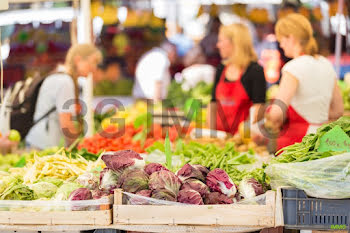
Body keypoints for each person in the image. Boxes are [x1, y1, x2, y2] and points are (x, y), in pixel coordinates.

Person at [252, 13, 344, 151]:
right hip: (324, 140)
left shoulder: (293, 68)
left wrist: (262, 117)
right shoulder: (326, 64)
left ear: (291, 38)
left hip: (299, 143)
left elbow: (277, 113)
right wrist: (316, 114)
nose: (281, 44)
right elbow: (338, 111)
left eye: (281, 39)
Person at [25, 44, 102, 149]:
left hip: (39, 141)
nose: (94, 68)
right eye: (93, 62)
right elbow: (67, 124)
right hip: (43, 146)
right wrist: (78, 148)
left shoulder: (59, 76)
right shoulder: (65, 81)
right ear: (78, 59)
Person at [208, 23, 267, 135]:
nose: (218, 45)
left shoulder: (255, 70)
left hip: (244, 140)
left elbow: (258, 109)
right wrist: (211, 135)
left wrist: (241, 137)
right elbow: (213, 104)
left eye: (221, 40)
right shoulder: (221, 68)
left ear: (235, 43)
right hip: (219, 138)